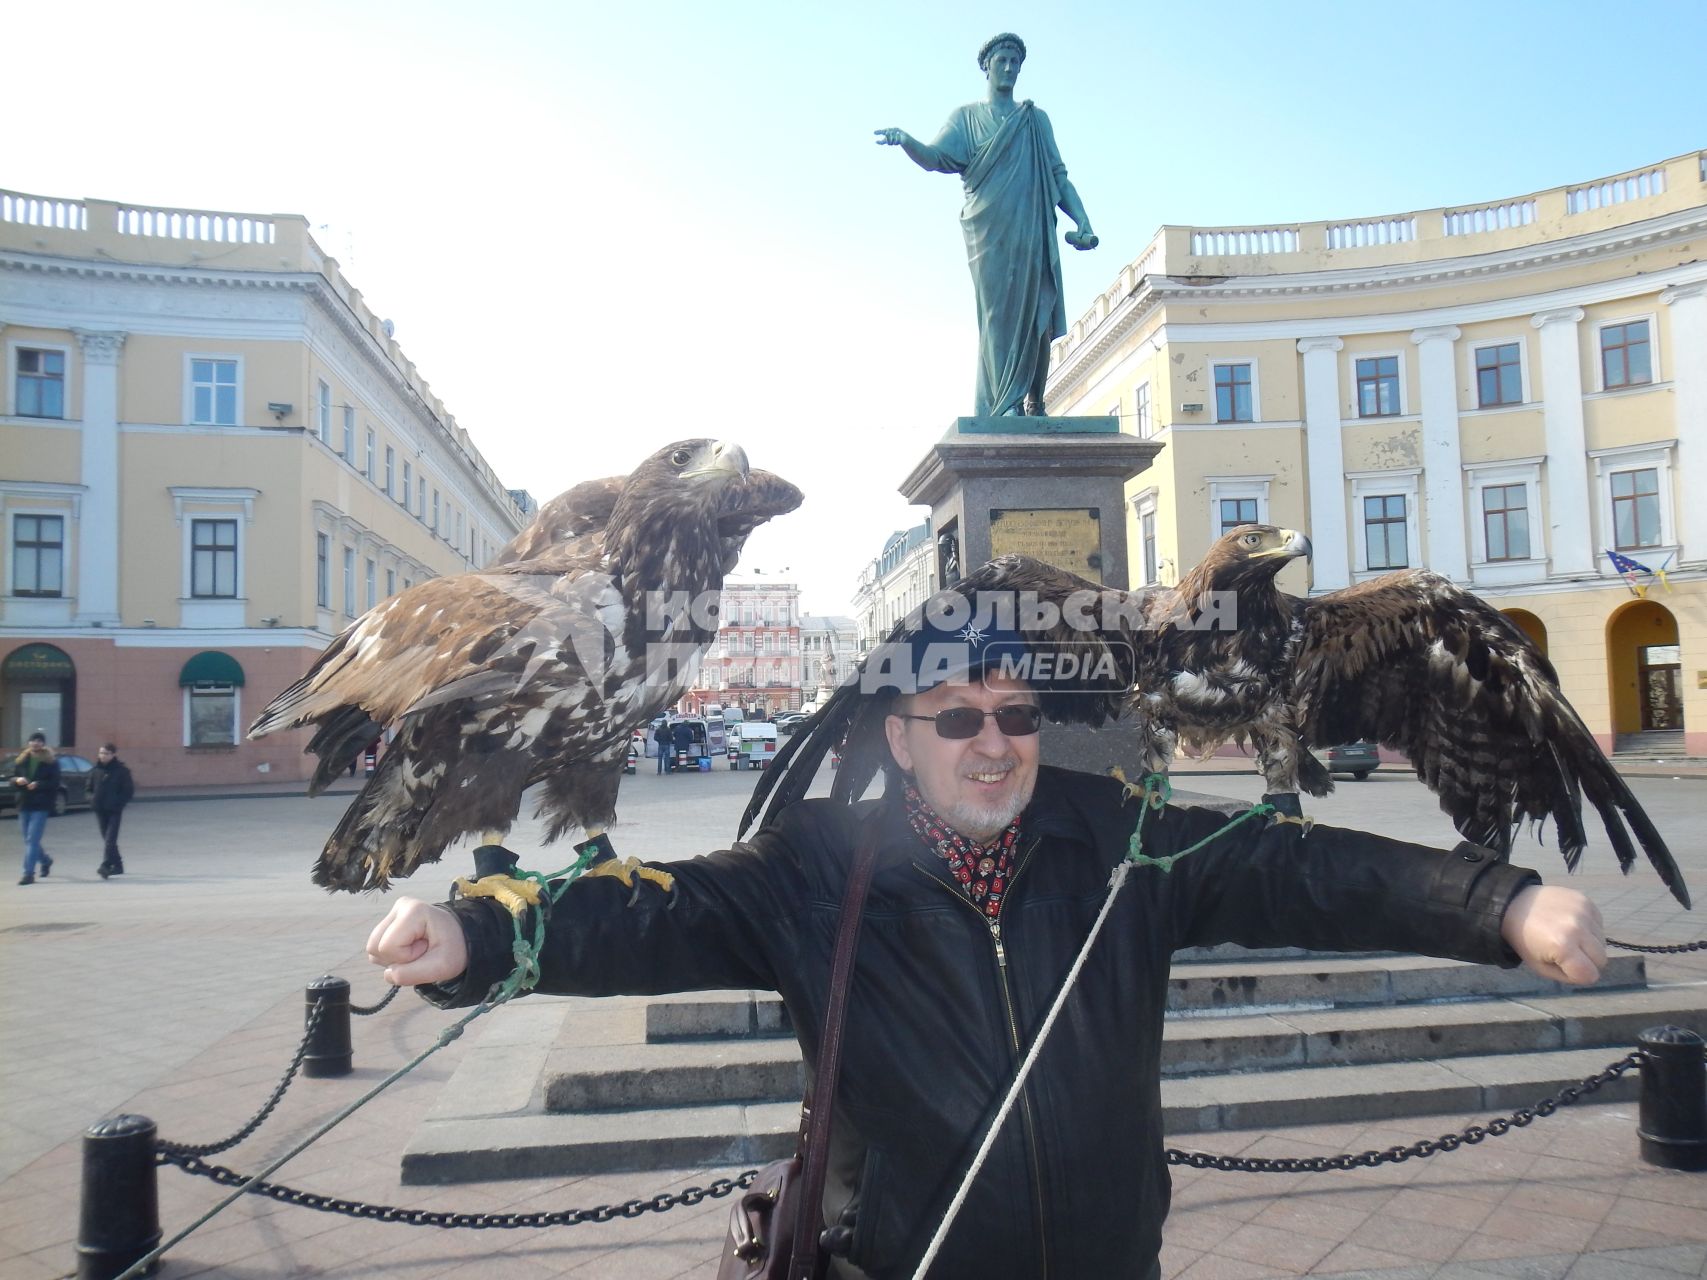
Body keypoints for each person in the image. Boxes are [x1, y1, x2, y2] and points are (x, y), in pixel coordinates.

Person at [367, 607, 1605, 1279]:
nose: (993, 739)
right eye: (956, 716)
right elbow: (647, 909)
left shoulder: (1124, 840)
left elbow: (1299, 867)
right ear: (900, 736)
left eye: (1014, 713)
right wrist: (476, 931)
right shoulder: (816, 868)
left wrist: (1495, 902)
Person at [875, 33, 1098, 418]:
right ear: (987, 67)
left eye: (1016, 62)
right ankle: (1005, 403)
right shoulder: (966, 118)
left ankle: (1034, 402)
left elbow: (1058, 177)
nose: (1010, 68)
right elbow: (934, 157)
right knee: (998, 318)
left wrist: (1083, 220)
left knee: (1039, 316)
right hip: (990, 232)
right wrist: (907, 141)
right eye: (1003, 61)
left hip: (1031, 228)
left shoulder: (1035, 120)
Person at [12, 731, 60, 886]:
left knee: (32, 839)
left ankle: (28, 874)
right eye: (33, 740)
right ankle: (46, 860)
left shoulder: (51, 762)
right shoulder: (21, 760)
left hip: (41, 805)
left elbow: (55, 783)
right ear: (28, 743)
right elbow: (11, 778)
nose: (36, 743)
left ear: (43, 744)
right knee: (28, 839)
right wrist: (17, 780)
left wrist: (38, 784)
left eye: (39, 741)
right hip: (24, 804)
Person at [90, 743, 135, 879]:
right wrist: (92, 800)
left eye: (106, 753)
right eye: (101, 753)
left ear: (113, 754)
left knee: (110, 840)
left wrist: (119, 803)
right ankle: (118, 865)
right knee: (108, 839)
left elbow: (128, 791)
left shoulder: (121, 770)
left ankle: (105, 866)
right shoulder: (95, 770)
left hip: (114, 810)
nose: (103, 756)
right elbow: (88, 789)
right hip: (100, 809)